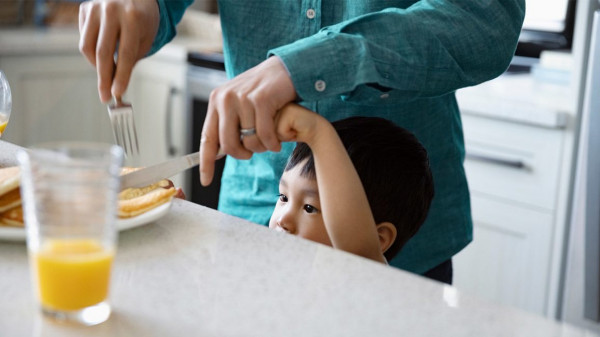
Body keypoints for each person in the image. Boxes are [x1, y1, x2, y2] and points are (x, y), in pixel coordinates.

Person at [78, 0, 526, 284]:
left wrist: (305, 65)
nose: (290, 216)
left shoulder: (376, 245)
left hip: (413, 250)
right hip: (247, 220)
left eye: (308, 206)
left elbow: (487, 21)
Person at [270, 104, 434, 264]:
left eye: (309, 208)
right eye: (284, 197)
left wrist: (318, 133)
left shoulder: (361, 273)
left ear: (378, 239)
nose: (283, 220)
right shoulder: (276, 260)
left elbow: (356, 250)